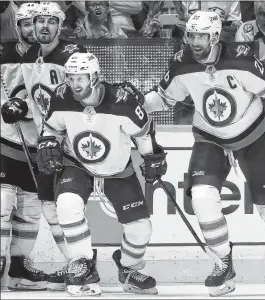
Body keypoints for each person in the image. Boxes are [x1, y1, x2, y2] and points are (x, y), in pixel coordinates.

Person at [143, 10, 265, 297]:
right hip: (210, 138)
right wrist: (135, 106)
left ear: (215, 36)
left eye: (201, 35)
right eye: (191, 35)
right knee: (202, 198)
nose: (194, 41)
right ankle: (222, 263)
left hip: (252, 136)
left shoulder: (240, 58)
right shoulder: (182, 63)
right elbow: (163, 98)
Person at [33, 52, 166, 296]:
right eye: (71, 77)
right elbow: (52, 127)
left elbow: (144, 133)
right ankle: (82, 265)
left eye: (80, 78)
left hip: (117, 169)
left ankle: (128, 269)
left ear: (95, 77)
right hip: (77, 163)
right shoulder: (61, 97)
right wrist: (49, 141)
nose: (74, 84)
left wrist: (151, 158)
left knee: (141, 228)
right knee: (66, 203)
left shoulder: (122, 103)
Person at [19, 1, 87, 291]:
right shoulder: (29, 56)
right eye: (39, 21)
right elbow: (35, 99)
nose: (43, 26)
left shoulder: (73, 55)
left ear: (61, 26)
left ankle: (83, 265)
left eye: (50, 21)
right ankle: (77, 265)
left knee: (67, 206)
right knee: (50, 206)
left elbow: (86, 94)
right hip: (44, 143)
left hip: (72, 146)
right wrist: (17, 104)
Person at [0, 2, 47, 291]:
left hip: (37, 144)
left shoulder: (52, 58)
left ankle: (19, 267)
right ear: (17, 27)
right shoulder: (3, 55)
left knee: (30, 210)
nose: (32, 29)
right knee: (2, 206)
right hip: (4, 141)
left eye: (36, 23)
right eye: (26, 24)